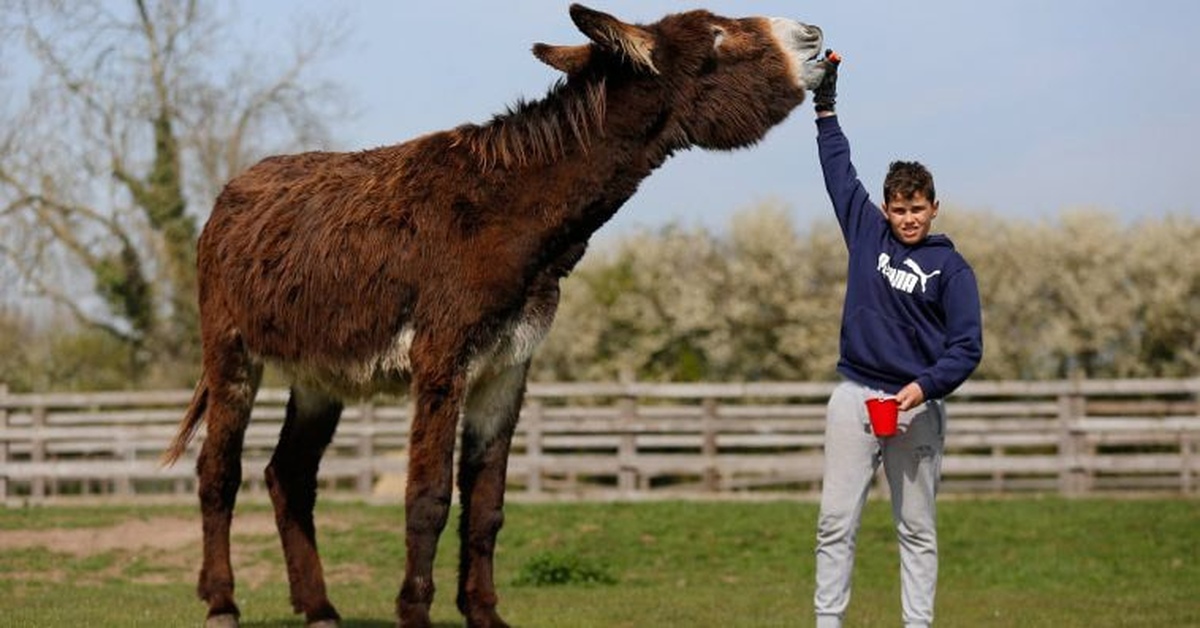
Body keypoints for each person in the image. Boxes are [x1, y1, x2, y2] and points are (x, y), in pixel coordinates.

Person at [808, 51, 983, 628]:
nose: (908, 218)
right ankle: (828, 621)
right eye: (900, 209)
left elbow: (966, 348)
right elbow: (839, 170)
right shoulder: (865, 230)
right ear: (886, 209)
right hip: (855, 398)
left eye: (918, 209)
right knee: (835, 522)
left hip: (916, 407)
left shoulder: (951, 270)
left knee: (916, 528)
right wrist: (826, 107)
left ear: (935, 208)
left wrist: (922, 388)